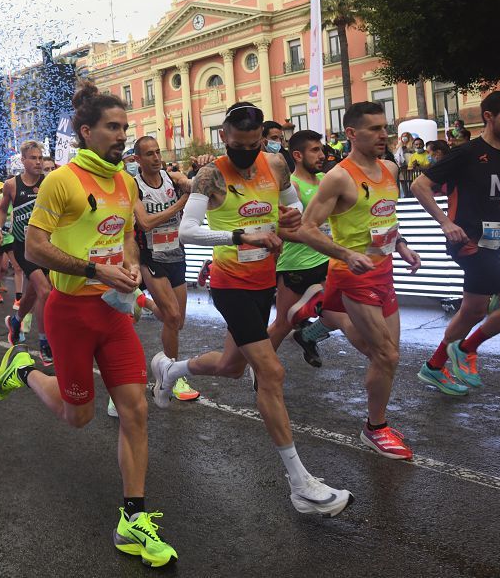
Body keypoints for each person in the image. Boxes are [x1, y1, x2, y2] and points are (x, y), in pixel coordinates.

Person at [0, 83, 178, 566]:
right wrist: (94, 270)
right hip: (70, 314)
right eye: (113, 128)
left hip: (112, 313)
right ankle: (25, 368)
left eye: (125, 128)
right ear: (87, 131)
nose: (122, 137)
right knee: (79, 417)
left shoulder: (125, 181)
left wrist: (130, 272)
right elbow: (33, 248)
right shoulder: (62, 181)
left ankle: (132, 520)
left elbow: (129, 237)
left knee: (135, 410)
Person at [160, 101, 355, 513]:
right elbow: (187, 231)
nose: (245, 153)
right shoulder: (210, 174)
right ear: (224, 138)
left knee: (231, 366)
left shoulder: (277, 165)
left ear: (262, 139)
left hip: (265, 279)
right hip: (230, 284)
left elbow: (296, 211)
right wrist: (240, 237)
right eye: (237, 145)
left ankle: (170, 369)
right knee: (271, 371)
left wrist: (290, 217)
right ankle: (300, 484)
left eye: (253, 144)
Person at [295, 102, 422, 460]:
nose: (384, 134)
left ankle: (324, 312)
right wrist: (346, 254)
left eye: (385, 127)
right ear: (351, 133)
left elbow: (385, 217)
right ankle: (375, 428)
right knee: (386, 355)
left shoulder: (391, 168)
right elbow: (306, 229)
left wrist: (403, 245)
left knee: (386, 356)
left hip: (384, 271)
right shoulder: (340, 177)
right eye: (374, 129)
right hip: (353, 274)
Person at [411, 92, 500, 396]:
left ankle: (435, 367)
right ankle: (465, 348)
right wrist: (445, 223)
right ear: (489, 116)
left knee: (473, 311)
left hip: (492, 242)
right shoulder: (466, 152)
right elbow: (419, 185)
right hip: (466, 242)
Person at [272, 131, 358, 369]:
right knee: (282, 325)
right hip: (297, 264)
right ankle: (262, 365)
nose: (322, 155)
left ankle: (307, 335)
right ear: (298, 155)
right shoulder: (292, 187)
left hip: (327, 259)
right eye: (315, 150)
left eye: (322, 149)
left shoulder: (326, 179)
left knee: (340, 309)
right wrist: (311, 239)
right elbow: (277, 229)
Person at [131, 135, 197, 403]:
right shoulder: (133, 186)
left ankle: (142, 301)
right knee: (171, 316)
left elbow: (193, 185)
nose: (156, 158)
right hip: (152, 257)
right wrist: (179, 205)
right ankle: (172, 373)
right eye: (149, 154)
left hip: (176, 254)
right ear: (137, 159)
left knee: (177, 320)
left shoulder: (172, 178)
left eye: (158, 152)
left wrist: (196, 177)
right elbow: (145, 223)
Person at [0, 141, 53, 363]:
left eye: (40, 158)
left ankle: (17, 320)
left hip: (45, 245)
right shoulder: (11, 184)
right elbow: (1, 209)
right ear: (23, 160)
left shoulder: (49, 183)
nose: (38, 162)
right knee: (45, 291)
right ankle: (44, 342)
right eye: (33, 158)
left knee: (34, 291)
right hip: (23, 246)